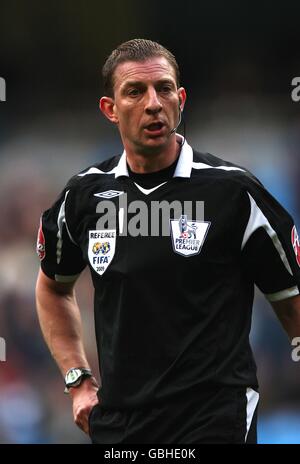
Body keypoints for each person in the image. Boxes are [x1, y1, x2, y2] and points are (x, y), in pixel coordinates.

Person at [35, 38, 300, 444]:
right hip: (121, 427)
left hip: (215, 421)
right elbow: (53, 286)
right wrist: (78, 379)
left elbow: (292, 300)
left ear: (181, 99)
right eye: (135, 92)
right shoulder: (84, 197)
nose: (153, 103)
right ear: (110, 109)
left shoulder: (233, 192)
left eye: (163, 88)